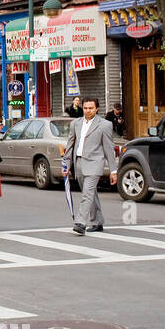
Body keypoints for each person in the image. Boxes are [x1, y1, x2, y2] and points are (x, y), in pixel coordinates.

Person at [63, 97, 118, 236]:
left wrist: (113, 170)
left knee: (87, 193)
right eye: (86, 108)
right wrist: (66, 165)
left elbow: (109, 149)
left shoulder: (105, 125)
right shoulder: (75, 123)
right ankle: (97, 221)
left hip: (95, 163)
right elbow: (69, 145)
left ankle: (80, 222)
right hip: (79, 163)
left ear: (96, 109)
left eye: (91, 108)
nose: (88, 111)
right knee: (90, 193)